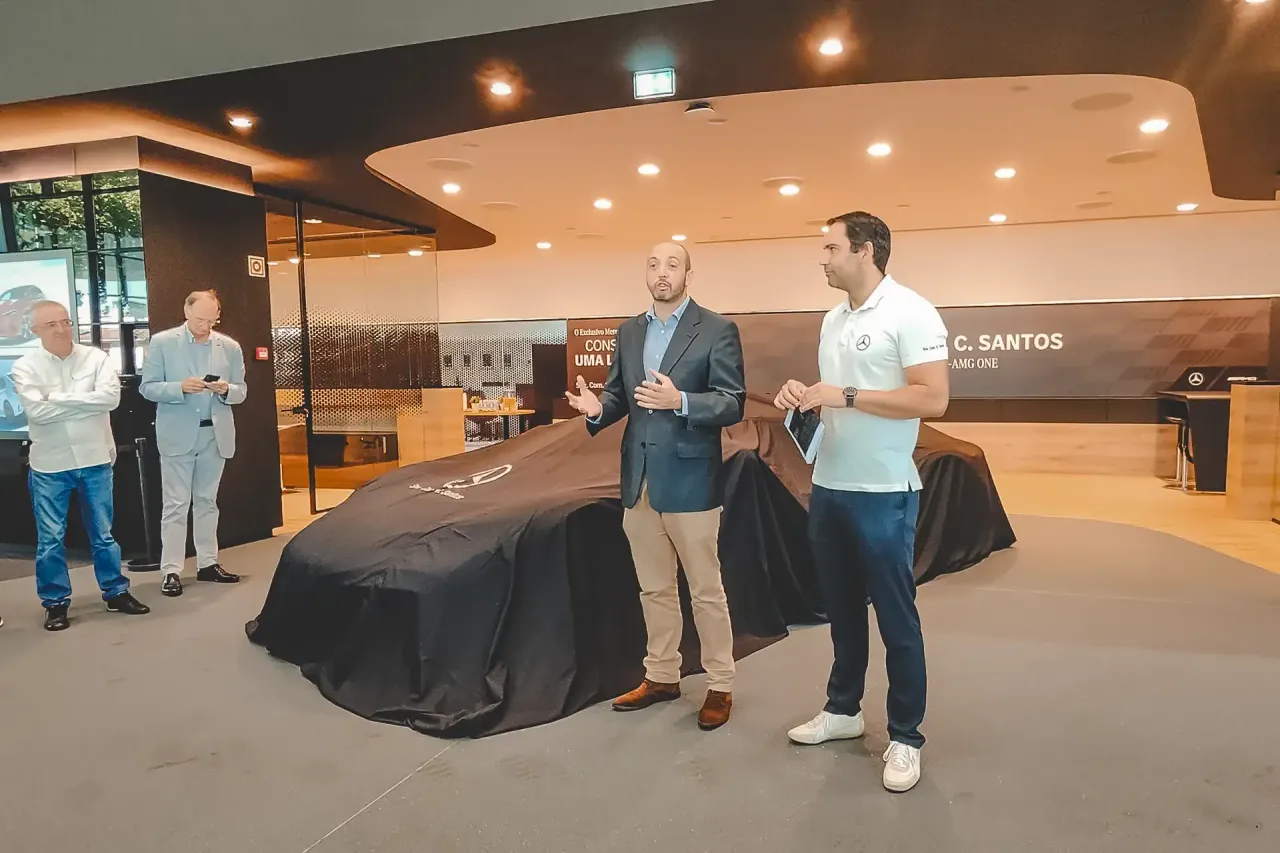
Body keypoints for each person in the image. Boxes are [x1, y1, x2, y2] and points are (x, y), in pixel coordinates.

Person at [774, 211, 950, 793]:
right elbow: (832, 398)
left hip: (885, 493)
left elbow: (933, 398)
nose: (822, 259)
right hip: (830, 487)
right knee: (842, 610)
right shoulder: (832, 319)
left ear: (866, 250)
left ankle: (906, 737)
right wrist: (804, 394)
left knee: (896, 618)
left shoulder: (911, 311)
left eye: (831, 248)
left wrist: (845, 394)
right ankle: (843, 709)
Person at [566, 241, 746, 730]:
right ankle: (662, 676)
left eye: (672, 264)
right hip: (639, 481)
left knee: (706, 591)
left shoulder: (717, 329)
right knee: (654, 589)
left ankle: (720, 684)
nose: (661, 272)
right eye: (653, 264)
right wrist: (598, 408)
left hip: (691, 481)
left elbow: (732, 402)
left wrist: (681, 401)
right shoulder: (629, 332)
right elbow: (619, 395)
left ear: (689, 275)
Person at [11, 300, 151, 630]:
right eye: (51, 325)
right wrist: (86, 402)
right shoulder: (25, 366)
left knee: (103, 534)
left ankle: (116, 592)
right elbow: (36, 412)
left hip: (95, 458)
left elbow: (110, 400)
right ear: (35, 331)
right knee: (50, 539)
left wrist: (55, 398)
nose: (61, 329)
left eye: (65, 321)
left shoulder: (96, 358)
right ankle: (55, 602)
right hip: (50, 463)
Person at [140, 290, 246, 597]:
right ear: (186, 312)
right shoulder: (162, 342)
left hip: (215, 434)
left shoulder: (229, 346)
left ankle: (208, 563)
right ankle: (171, 570)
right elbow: (148, 388)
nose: (205, 326)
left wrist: (226, 389)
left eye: (212, 320)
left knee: (207, 501)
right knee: (175, 504)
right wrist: (179, 388)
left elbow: (241, 390)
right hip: (177, 433)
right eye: (200, 319)